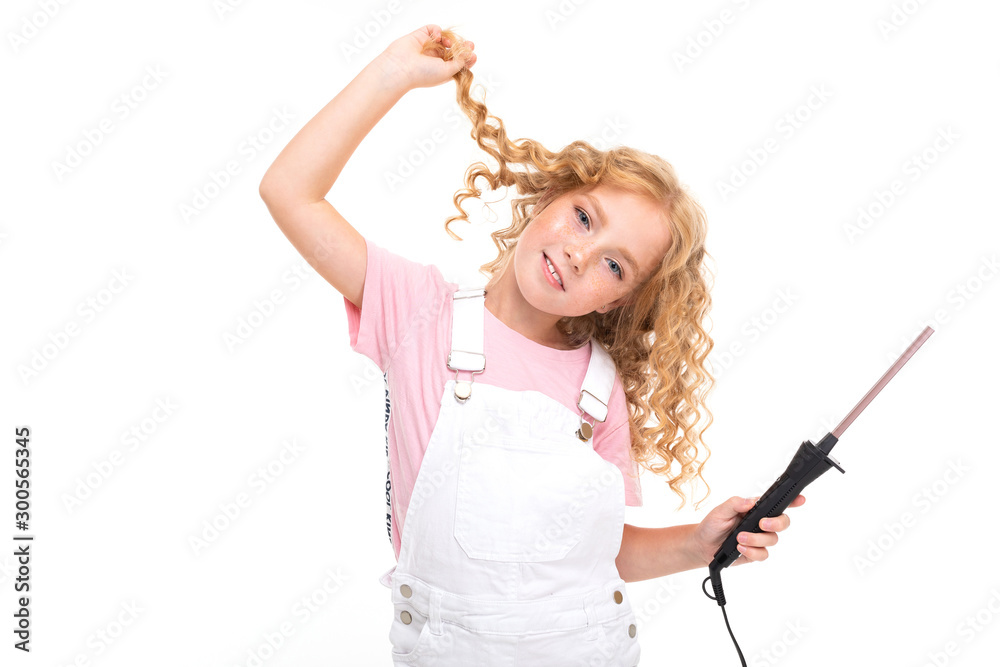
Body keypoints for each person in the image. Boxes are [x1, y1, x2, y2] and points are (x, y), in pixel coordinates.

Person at [259, 23, 805, 666]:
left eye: (614, 265)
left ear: (617, 301)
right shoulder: (418, 310)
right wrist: (393, 73)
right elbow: (289, 191)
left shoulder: (599, 389)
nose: (580, 254)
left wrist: (698, 543)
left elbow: (597, 552)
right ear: (549, 196)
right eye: (584, 218)